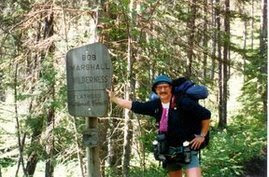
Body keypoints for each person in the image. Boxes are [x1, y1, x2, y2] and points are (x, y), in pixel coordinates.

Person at [106, 74, 211, 177]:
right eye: (159, 88)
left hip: (188, 149)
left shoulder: (183, 102)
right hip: (169, 151)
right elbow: (135, 106)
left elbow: (206, 114)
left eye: (165, 87)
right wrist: (114, 99)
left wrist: (202, 135)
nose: (162, 90)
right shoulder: (156, 105)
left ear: (171, 88)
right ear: (156, 90)